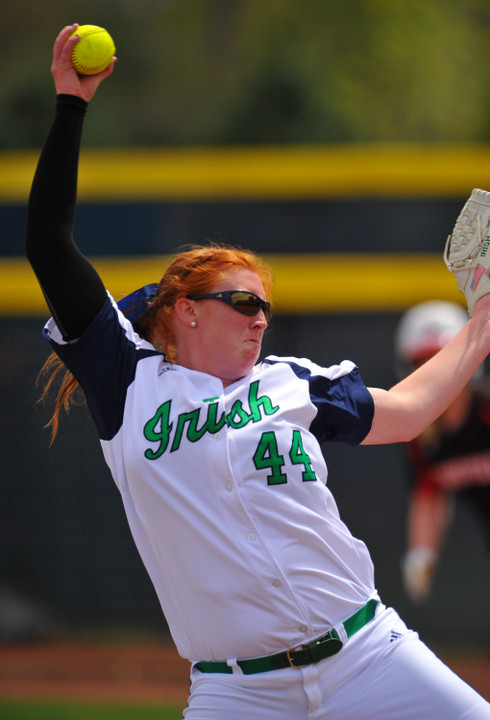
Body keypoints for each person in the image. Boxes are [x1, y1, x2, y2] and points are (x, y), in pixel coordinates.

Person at [25, 25, 490, 720]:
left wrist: (482, 317)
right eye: (242, 301)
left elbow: (409, 410)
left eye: (266, 307)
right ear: (185, 311)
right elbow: (47, 242)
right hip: (238, 691)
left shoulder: (292, 382)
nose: (260, 318)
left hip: (369, 656)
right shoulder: (127, 384)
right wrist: (70, 104)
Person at [394, 300, 490, 602]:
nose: (434, 373)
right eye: (422, 364)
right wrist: (421, 554)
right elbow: (429, 495)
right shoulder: (423, 438)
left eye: (442, 360)